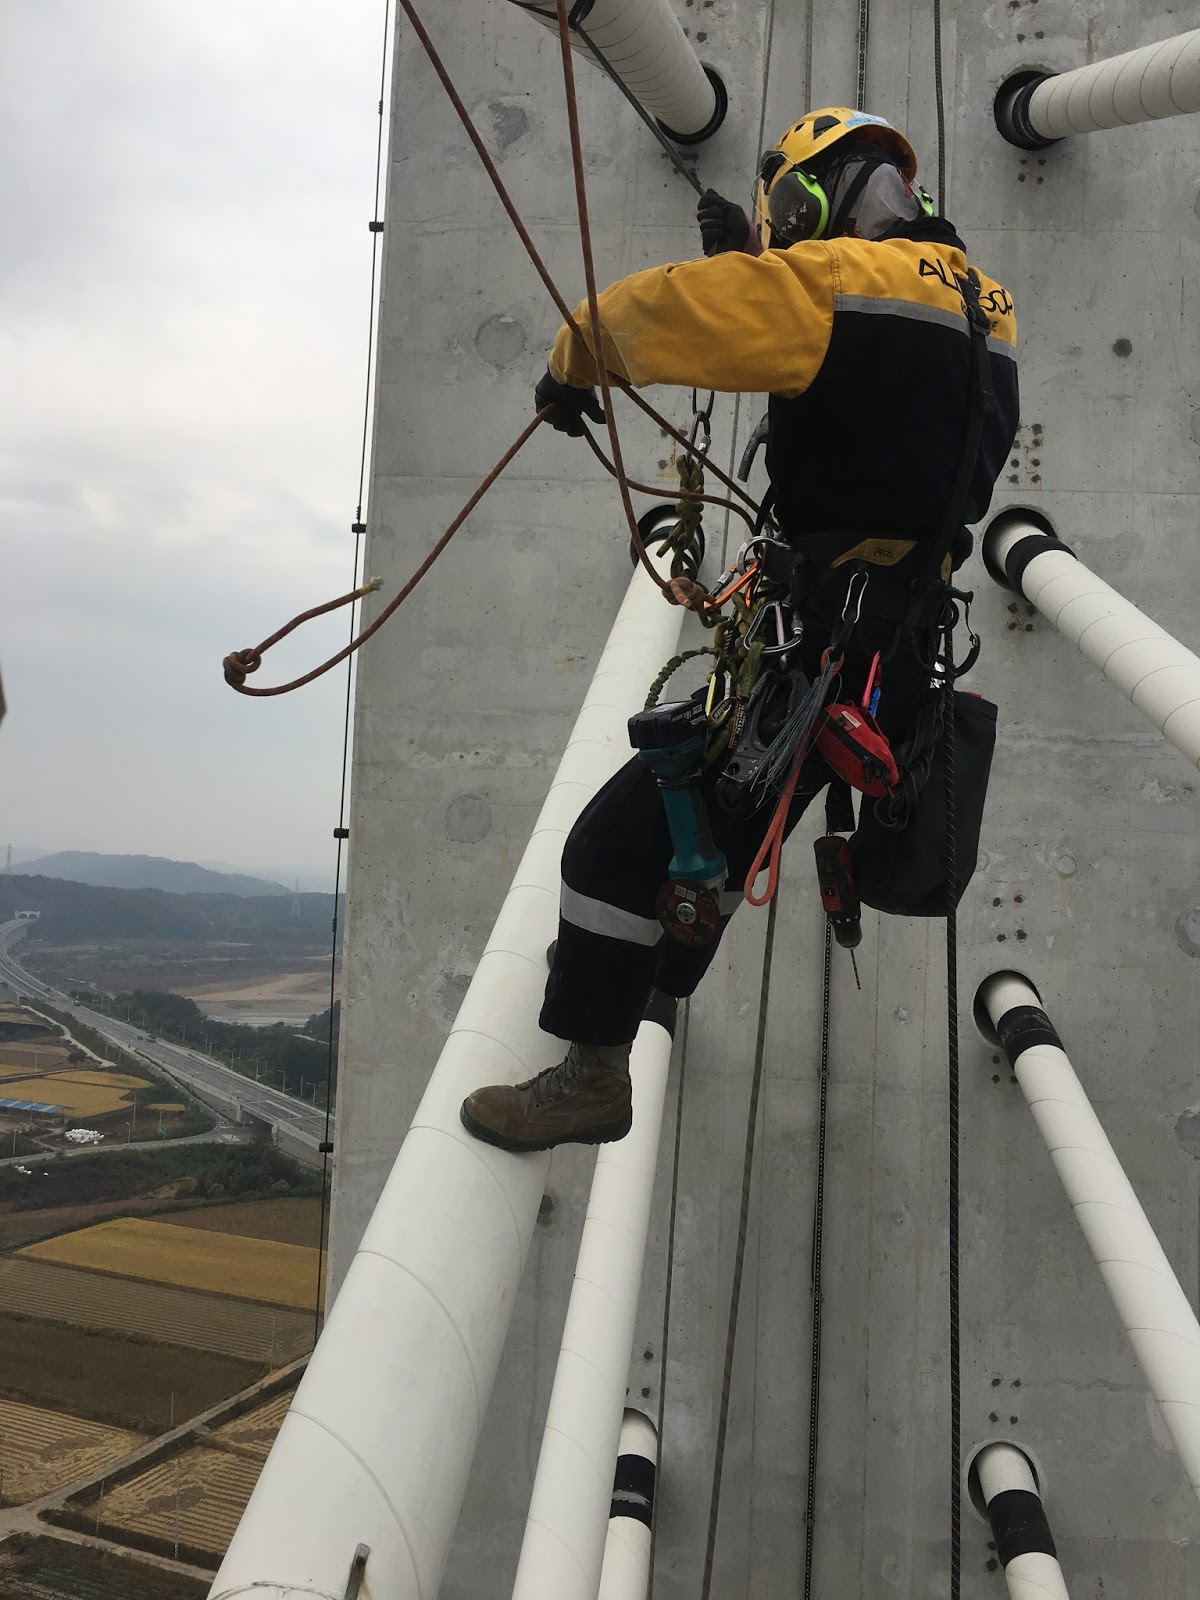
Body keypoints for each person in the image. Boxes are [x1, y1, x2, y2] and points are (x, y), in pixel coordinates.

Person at [460, 106, 1019, 1152]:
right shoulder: (983, 301)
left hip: (819, 654)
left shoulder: (828, 287)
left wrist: (573, 360)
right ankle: (650, 982)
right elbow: (871, 391)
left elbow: (656, 312)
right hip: (889, 658)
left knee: (610, 848)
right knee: (712, 845)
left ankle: (591, 1074)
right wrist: (760, 258)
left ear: (810, 200)